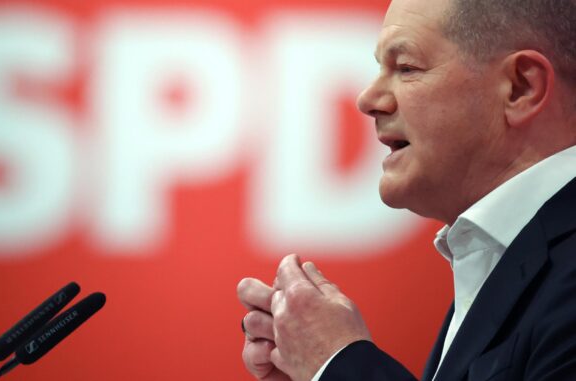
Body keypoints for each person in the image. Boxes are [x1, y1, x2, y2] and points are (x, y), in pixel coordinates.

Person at [237, 0, 576, 380]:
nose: (368, 99)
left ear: (520, 87)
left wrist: (338, 366)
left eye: (406, 68)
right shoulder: (502, 258)